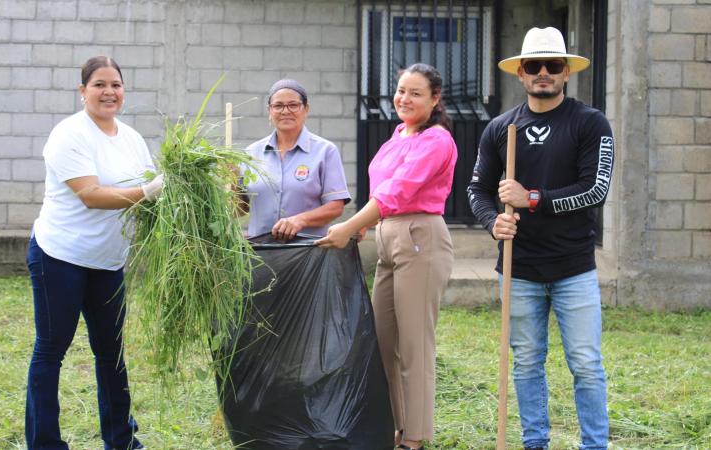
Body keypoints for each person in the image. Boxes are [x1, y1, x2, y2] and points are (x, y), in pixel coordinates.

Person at [467, 27, 613, 450]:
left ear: (566, 72)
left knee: (586, 364)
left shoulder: (590, 123)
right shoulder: (500, 128)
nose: (543, 73)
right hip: (520, 268)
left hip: (573, 269)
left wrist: (532, 198)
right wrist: (493, 221)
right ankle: (535, 444)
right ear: (521, 74)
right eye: (535, 66)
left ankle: (594, 446)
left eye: (553, 65)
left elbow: (595, 190)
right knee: (527, 364)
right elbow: (477, 189)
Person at [317, 63, 457, 450]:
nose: (405, 99)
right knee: (382, 342)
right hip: (388, 237)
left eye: (415, 93)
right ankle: (393, 425)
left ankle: (414, 437)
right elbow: (381, 192)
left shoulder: (436, 140)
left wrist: (347, 226)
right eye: (400, 91)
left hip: (420, 237)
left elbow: (398, 191)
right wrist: (363, 225)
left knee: (415, 345)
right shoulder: (397, 135)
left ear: (434, 98)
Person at [25, 56, 162, 450]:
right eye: (99, 84)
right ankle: (45, 443)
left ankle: (122, 441)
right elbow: (90, 195)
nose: (109, 92)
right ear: (83, 90)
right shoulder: (69, 134)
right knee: (51, 349)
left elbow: (152, 194)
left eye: (116, 84)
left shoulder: (132, 138)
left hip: (107, 261)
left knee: (111, 352)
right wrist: (147, 192)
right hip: (60, 257)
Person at [242, 79, 351, 241]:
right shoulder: (251, 153)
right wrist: (229, 181)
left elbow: (335, 207)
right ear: (269, 111)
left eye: (293, 105)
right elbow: (240, 210)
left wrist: (299, 220)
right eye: (278, 106)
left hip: (306, 252)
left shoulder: (325, 151)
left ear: (305, 109)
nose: (285, 111)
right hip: (260, 252)